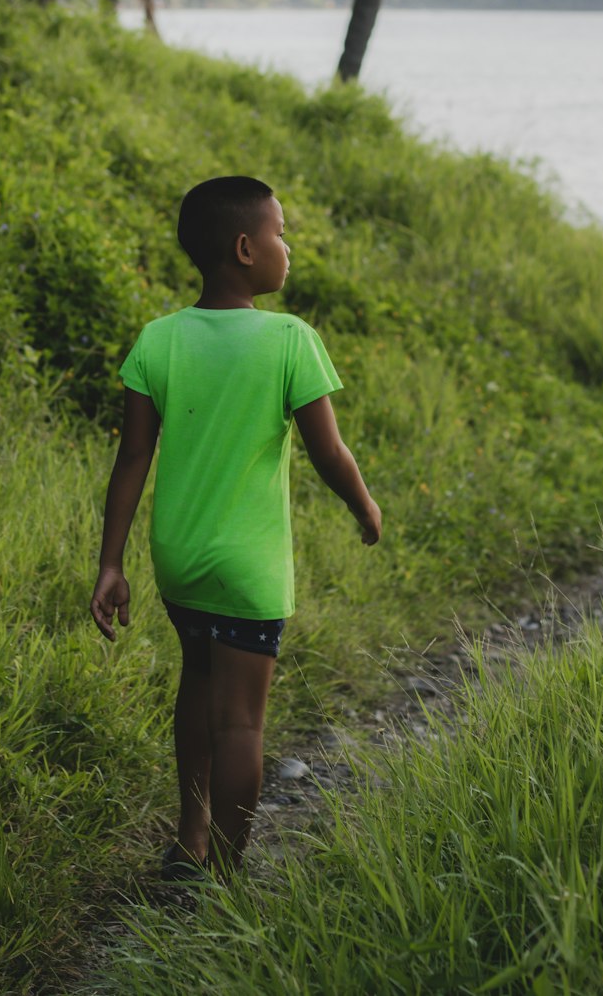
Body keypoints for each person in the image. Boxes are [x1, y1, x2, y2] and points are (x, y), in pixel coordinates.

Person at [89, 175, 382, 878]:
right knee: (242, 723)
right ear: (247, 249)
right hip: (249, 567)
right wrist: (365, 507)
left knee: (197, 685)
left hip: (179, 559)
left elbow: (132, 457)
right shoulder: (290, 339)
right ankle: (223, 875)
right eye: (282, 234)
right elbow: (328, 452)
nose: (289, 248)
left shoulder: (158, 339)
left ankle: (190, 835)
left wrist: (111, 563)